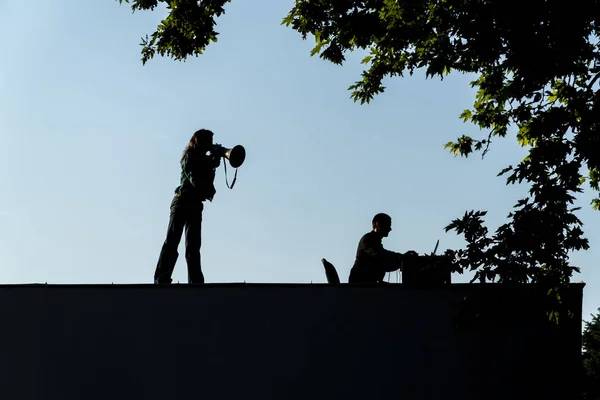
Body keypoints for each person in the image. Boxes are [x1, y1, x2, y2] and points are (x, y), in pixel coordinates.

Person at [154, 129, 221, 284]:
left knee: (193, 246)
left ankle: (195, 281)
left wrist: (211, 166)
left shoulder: (202, 160)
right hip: (182, 201)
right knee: (172, 241)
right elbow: (196, 179)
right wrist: (209, 164)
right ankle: (161, 279)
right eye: (208, 141)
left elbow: (206, 184)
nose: (209, 145)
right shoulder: (190, 157)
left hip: (195, 204)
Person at [348, 213, 417, 284]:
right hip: (360, 285)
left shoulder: (373, 241)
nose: (390, 229)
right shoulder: (367, 239)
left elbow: (384, 260)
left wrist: (402, 258)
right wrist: (401, 257)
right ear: (378, 224)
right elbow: (380, 256)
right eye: (388, 225)